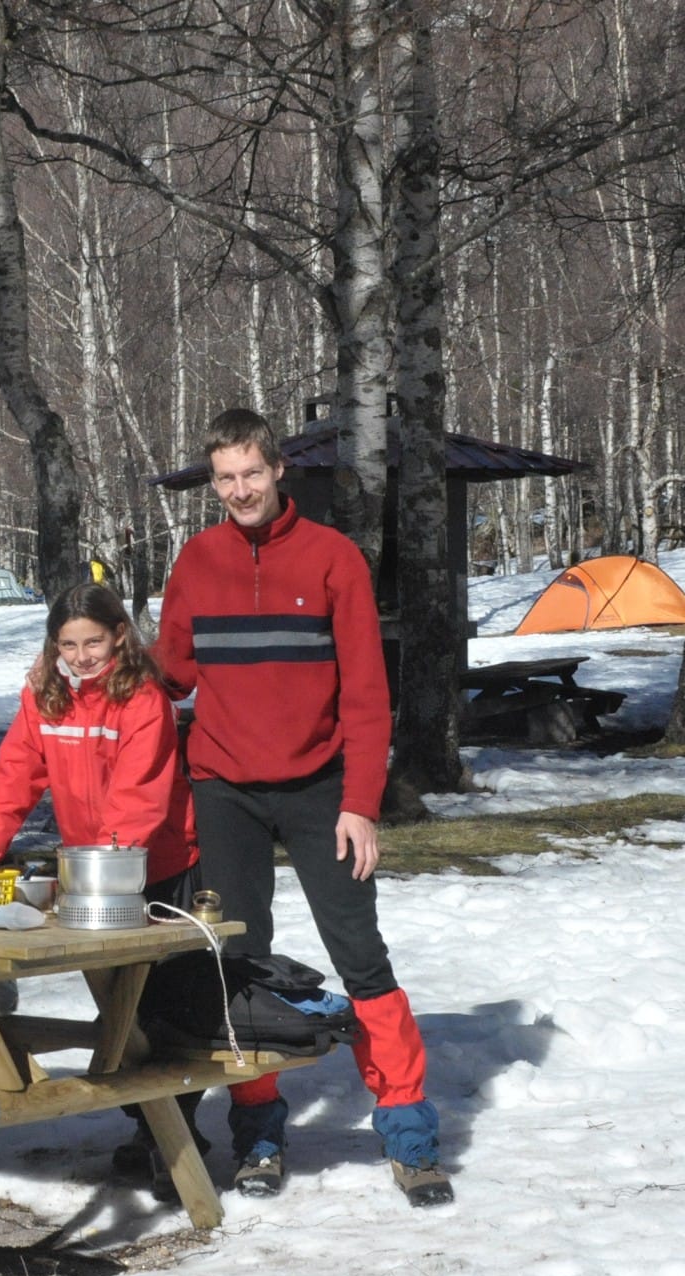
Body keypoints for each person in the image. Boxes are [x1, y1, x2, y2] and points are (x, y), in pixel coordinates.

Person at [154, 408, 453, 1208]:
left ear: (279, 469)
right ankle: (258, 1129)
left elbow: (367, 694)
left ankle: (409, 1129)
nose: (240, 489)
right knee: (237, 960)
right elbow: (170, 674)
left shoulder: (332, 558)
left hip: (321, 788)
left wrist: (361, 803)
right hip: (224, 789)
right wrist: (89, 664)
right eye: (225, 478)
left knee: (361, 954)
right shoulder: (197, 561)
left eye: (251, 472)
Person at [0, 583, 205, 1192]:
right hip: (92, 871)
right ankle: (147, 1123)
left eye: (93, 642)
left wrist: (98, 870)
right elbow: (14, 776)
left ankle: (176, 1136)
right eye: (68, 645)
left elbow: (138, 796)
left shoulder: (143, 698)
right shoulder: (44, 696)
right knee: (119, 1007)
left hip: (154, 865)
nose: (81, 656)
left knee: (167, 1006)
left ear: (120, 636)